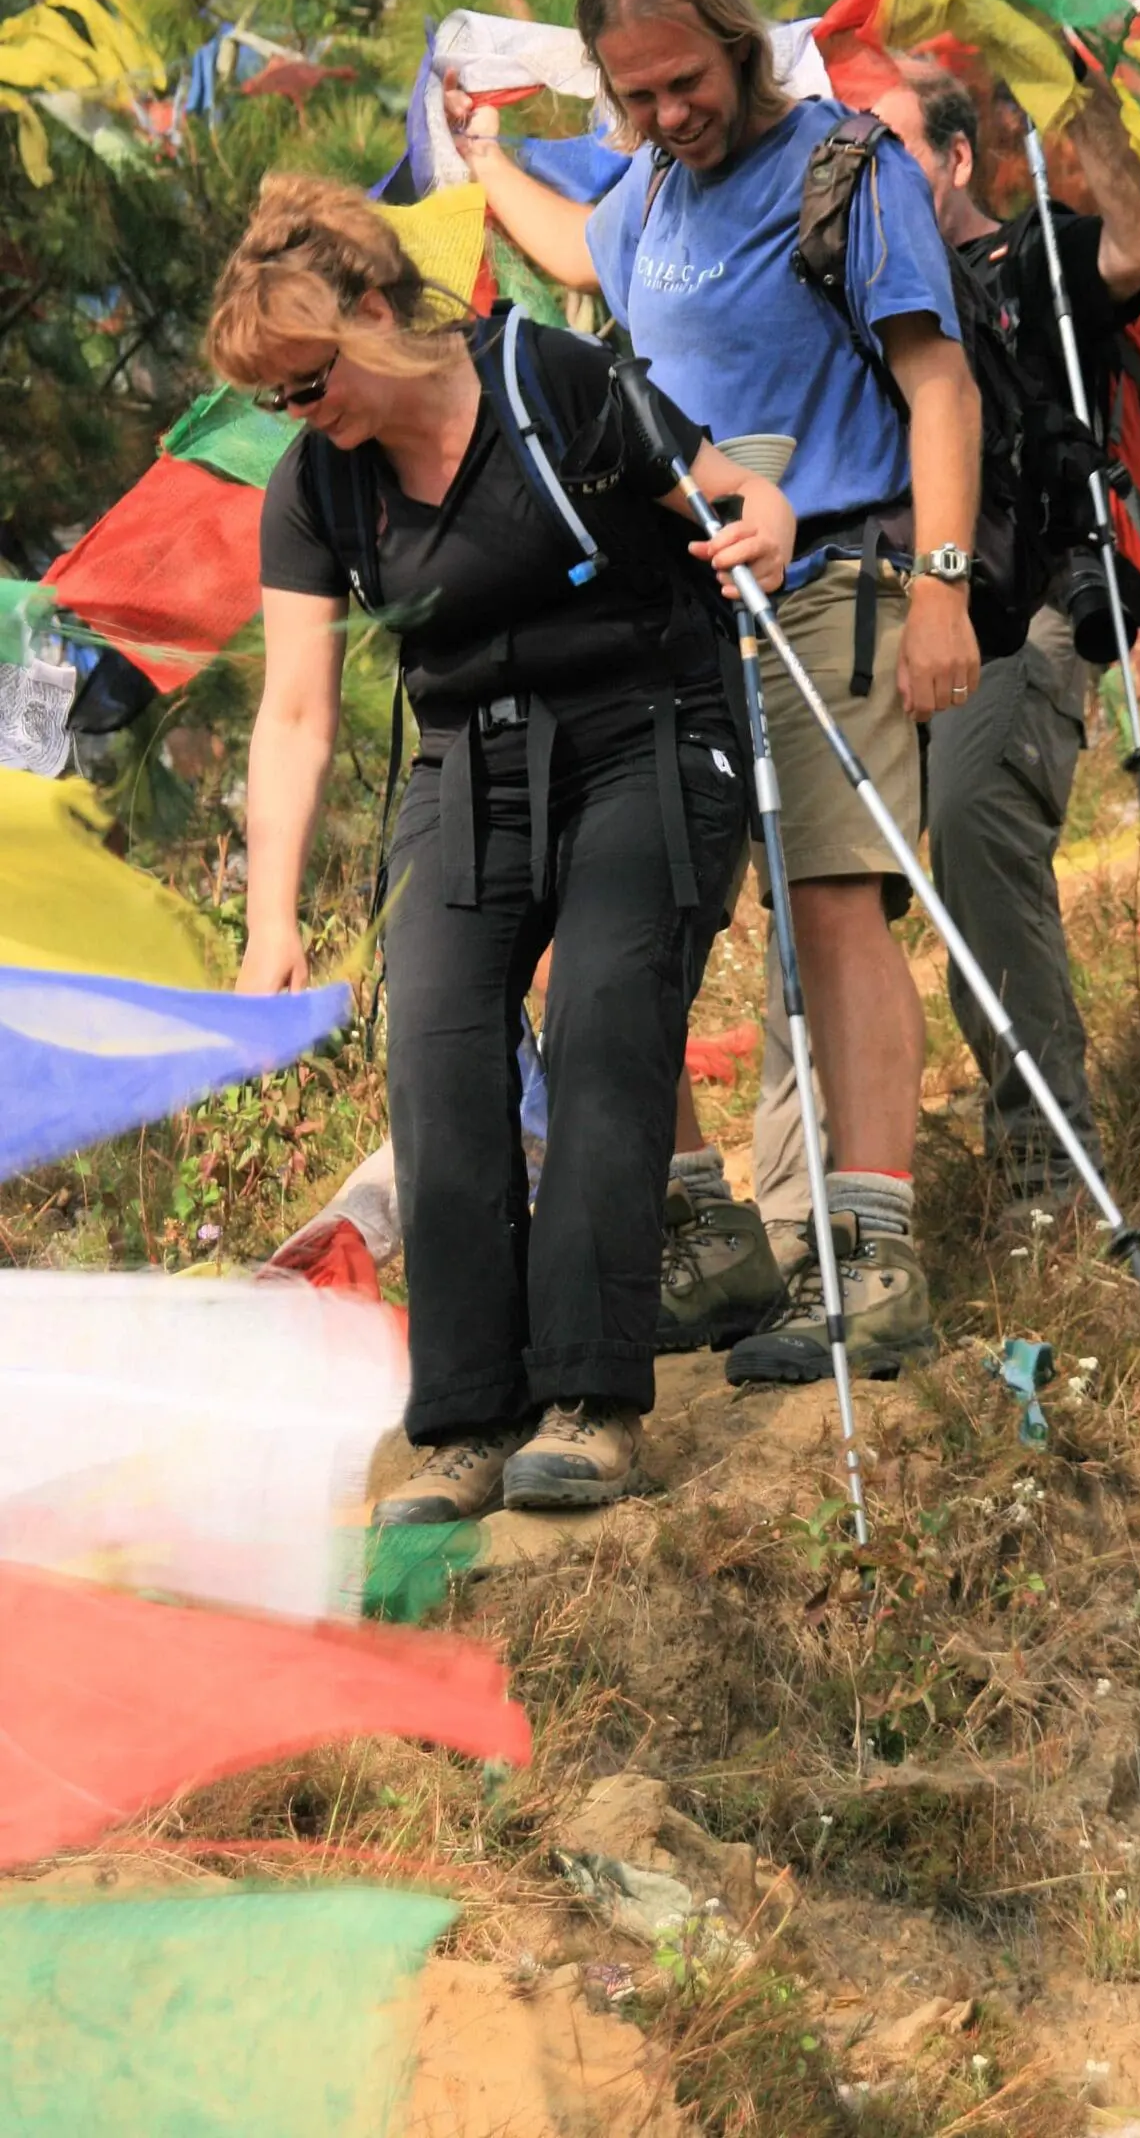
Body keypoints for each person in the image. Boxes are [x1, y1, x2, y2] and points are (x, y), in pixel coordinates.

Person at [443, 0, 983, 1389]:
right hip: (680, 614)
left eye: (684, 82)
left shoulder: (844, 169)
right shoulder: (648, 195)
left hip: (838, 583)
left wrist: (940, 593)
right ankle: (705, 1241)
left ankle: (870, 1265)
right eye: (635, 96)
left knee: (829, 917)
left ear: (738, 44)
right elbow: (578, 251)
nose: (667, 114)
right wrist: (480, 157)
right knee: (602, 924)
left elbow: (937, 390)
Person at [212, 173, 793, 1520]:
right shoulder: (317, 489)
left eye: (309, 381)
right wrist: (271, 920)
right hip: (467, 760)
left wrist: (760, 518)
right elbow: (293, 714)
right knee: (439, 1046)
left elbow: (732, 496)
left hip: (644, 729)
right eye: (278, 399)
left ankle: (591, 1400)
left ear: (372, 310)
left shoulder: (555, 382)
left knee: (600, 1018)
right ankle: (466, 1421)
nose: (302, 416)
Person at [752, 61, 1140, 1219]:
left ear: (951, 160)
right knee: (829, 887)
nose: (863, 183)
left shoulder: (1029, 258)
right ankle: (807, 1211)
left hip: (1022, 611)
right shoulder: (839, 286)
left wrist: (1077, 84)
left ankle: (1049, 1178)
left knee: (978, 837)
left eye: (891, 155)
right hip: (872, 604)